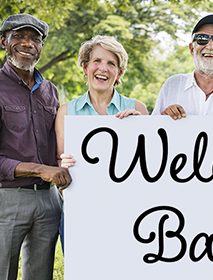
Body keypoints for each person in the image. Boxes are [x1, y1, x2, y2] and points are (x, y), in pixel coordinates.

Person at [0, 14, 72, 280]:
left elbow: (61, 142)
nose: (27, 43)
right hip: (7, 200)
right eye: (19, 37)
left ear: (41, 46)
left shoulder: (50, 90)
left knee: (40, 275)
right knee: (0, 274)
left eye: (35, 39)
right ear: (4, 41)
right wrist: (40, 170)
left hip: (49, 200)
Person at [54, 35, 149, 252]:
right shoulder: (66, 112)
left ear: (119, 73)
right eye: (97, 61)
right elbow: (59, 169)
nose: (103, 68)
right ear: (85, 67)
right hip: (80, 212)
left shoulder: (137, 109)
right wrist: (64, 165)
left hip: (128, 212)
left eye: (111, 64)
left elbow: (151, 170)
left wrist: (140, 129)